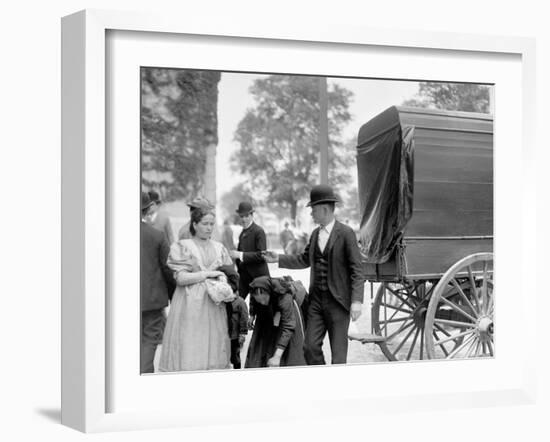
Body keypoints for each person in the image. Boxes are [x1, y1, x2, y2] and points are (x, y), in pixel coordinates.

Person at [263, 184, 365, 365]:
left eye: (313, 209)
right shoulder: (315, 234)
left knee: (339, 357)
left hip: (338, 303)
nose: (311, 214)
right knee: (309, 347)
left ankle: (335, 387)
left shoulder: (346, 234)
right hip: (317, 302)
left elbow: (357, 270)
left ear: (325, 209)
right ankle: (322, 379)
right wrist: (277, 259)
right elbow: (303, 259)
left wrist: (357, 301)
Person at [158, 206, 234, 372]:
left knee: (214, 346)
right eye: (205, 223)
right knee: (191, 345)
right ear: (194, 224)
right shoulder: (183, 246)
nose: (209, 228)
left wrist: (223, 279)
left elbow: (228, 273)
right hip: (189, 304)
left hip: (213, 305)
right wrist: (209, 274)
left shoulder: (219, 247)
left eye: (211, 224)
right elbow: (181, 279)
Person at [140, 192, 175, 374]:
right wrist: (174, 295)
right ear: (147, 209)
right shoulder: (157, 236)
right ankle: (143, 377)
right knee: (148, 341)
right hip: (152, 301)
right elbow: (168, 269)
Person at [244, 276, 306, 368]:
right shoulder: (255, 291)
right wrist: (252, 315)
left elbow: (288, 326)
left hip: (286, 314)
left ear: (269, 292)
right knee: (260, 344)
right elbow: (253, 300)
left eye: (264, 299)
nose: (262, 302)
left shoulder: (285, 298)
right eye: (259, 300)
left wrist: (277, 356)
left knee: (290, 351)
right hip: (269, 310)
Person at [229, 202, 270, 324]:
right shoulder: (242, 233)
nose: (244, 219)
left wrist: (240, 255)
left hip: (259, 277)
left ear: (252, 215)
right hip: (245, 277)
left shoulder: (259, 231)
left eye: (247, 216)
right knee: (235, 303)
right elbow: (240, 258)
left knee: (263, 311)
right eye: (242, 216)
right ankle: (237, 335)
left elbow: (262, 255)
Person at [218, 264, 248, 369]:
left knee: (235, 356)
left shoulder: (240, 302)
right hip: (224, 334)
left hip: (235, 336)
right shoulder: (222, 301)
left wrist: (243, 334)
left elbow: (244, 317)